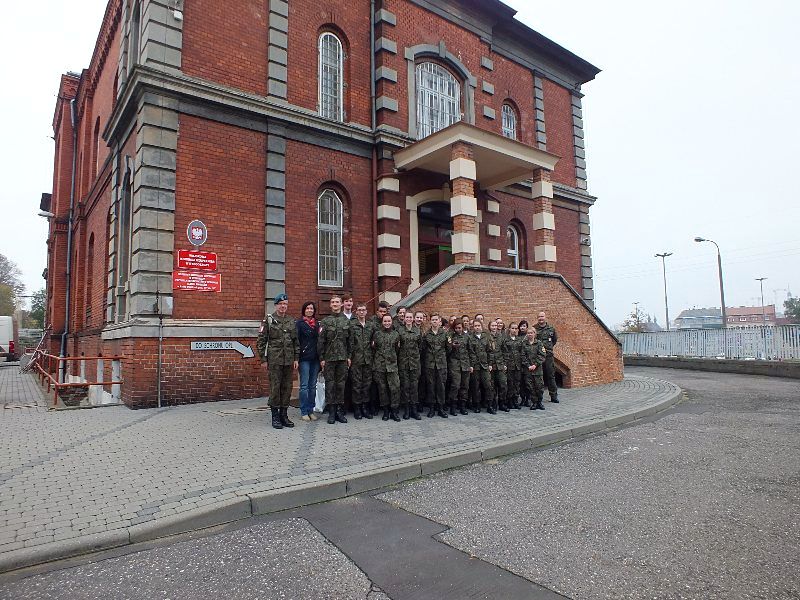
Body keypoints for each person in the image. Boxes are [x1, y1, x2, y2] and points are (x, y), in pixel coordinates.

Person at [257, 293, 299, 429]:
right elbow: (261, 341)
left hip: (288, 360)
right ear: (276, 305)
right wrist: (263, 359)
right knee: (275, 388)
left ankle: (284, 415)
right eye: (280, 304)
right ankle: (275, 416)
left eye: (285, 304)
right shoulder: (268, 320)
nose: (283, 306)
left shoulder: (291, 321)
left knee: (287, 388)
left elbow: (295, 342)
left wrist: (296, 358)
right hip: (274, 360)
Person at [318, 294, 351, 424]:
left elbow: (350, 341)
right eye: (333, 302)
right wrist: (322, 358)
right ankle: (331, 412)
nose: (335, 304)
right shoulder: (326, 321)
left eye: (337, 302)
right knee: (330, 385)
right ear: (331, 305)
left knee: (341, 385)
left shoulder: (346, 321)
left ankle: (339, 412)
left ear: (341, 304)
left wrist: (349, 356)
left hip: (343, 358)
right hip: (329, 358)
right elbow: (321, 341)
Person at [373, 314, 401, 421]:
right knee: (382, 389)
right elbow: (374, 348)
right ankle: (385, 411)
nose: (387, 323)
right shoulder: (377, 334)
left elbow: (397, 349)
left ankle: (394, 411)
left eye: (389, 321)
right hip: (380, 366)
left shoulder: (396, 334)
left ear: (391, 322)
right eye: (385, 321)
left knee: (395, 388)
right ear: (382, 322)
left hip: (392, 366)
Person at [296, 301, 321, 422]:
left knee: (312, 386)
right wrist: (296, 358)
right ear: (304, 310)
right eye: (307, 308)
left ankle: (311, 410)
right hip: (304, 358)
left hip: (315, 358)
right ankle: (304, 411)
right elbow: (296, 341)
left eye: (312, 308)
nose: (310, 310)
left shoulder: (317, 324)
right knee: (304, 386)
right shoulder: (299, 324)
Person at [349, 302, 374, 419]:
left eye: (363, 310)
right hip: (356, 360)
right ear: (356, 312)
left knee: (367, 385)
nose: (362, 312)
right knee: (356, 385)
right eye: (359, 310)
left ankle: (365, 407)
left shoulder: (370, 325)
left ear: (366, 311)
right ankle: (357, 408)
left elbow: (374, 341)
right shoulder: (352, 325)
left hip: (368, 360)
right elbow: (349, 343)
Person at [398, 311, 422, 420]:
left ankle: (414, 410)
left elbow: (420, 346)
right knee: (405, 387)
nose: (408, 319)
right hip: (403, 363)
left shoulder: (417, 331)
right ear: (404, 319)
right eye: (406, 317)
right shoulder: (399, 330)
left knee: (414, 387)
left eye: (410, 317)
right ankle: (406, 410)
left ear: (413, 319)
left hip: (415, 363)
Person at [423, 314, 449, 418]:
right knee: (431, 386)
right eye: (432, 320)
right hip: (430, 364)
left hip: (441, 364)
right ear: (430, 322)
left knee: (441, 386)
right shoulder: (426, 334)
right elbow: (423, 349)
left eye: (436, 320)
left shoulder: (445, 334)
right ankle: (432, 408)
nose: (434, 321)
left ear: (440, 322)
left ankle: (441, 408)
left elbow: (449, 348)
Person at [468, 319, 494, 414]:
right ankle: (477, 405)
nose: (477, 327)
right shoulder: (470, 338)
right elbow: (470, 352)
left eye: (479, 325)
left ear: (481, 326)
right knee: (475, 387)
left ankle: (489, 405)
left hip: (485, 365)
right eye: (475, 326)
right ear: (473, 327)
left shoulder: (486, 337)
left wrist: (490, 363)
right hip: (475, 366)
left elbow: (490, 351)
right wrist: (471, 365)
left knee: (488, 385)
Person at [447, 320, 472, 415]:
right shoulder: (450, 337)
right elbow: (447, 351)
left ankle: (462, 406)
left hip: (465, 364)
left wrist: (471, 365)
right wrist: (452, 346)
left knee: (464, 385)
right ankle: (453, 406)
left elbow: (470, 351)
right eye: (456, 328)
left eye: (459, 328)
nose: (458, 330)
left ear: (462, 328)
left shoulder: (467, 337)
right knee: (455, 385)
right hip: (455, 364)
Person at [534, 311, 559, 403]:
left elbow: (554, 340)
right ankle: (538, 397)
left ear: (545, 317)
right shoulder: (534, 328)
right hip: (538, 357)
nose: (541, 318)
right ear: (537, 318)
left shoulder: (551, 329)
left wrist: (548, 349)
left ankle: (553, 396)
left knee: (551, 376)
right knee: (538, 377)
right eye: (539, 317)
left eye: (542, 316)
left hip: (548, 356)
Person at [521, 327, 546, 410]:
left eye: (531, 333)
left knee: (539, 387)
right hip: (528, 370)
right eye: (528, 333)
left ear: (535, 334)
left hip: (537, 369)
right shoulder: (524, 344)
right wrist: (528, 365)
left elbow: (542, 355)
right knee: (530, 387)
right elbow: (522, 356)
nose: (530, 334)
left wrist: (535, 365)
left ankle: (539, 402)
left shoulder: (539, 343)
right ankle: (534, 402)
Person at [488, 320, 508, 412]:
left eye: (495, 325)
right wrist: (488, 364)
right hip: (491, 365)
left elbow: (505, 351)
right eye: (492, 325)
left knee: (503, 384)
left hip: (500, 365)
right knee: (492, 386)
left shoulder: (501, 337)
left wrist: (505, 363)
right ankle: (493, 404)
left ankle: (502, 403)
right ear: (489, 327)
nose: (494, 327)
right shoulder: (486, 337)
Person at [504, 322, 523, 409]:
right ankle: (509, 401)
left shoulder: (519, 340)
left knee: (517, 383)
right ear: (509, 329)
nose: (514, 330)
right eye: (513, 328)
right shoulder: (505, 340)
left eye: (516, 328)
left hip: (518, 366)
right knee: (510, 383)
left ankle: (515, 400)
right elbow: (503, 352)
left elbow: (522, 352)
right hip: (509, 365)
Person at [517, 319, 531, 407]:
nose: (522, 327)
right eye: (521, 326)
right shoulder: (517, 337)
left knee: (528, 382)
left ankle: (528, 399)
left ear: (527, 328)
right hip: (518, 363)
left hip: (527, 363)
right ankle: (522, 398)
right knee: (521, 382)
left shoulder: (529, 337)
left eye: (524, 326)